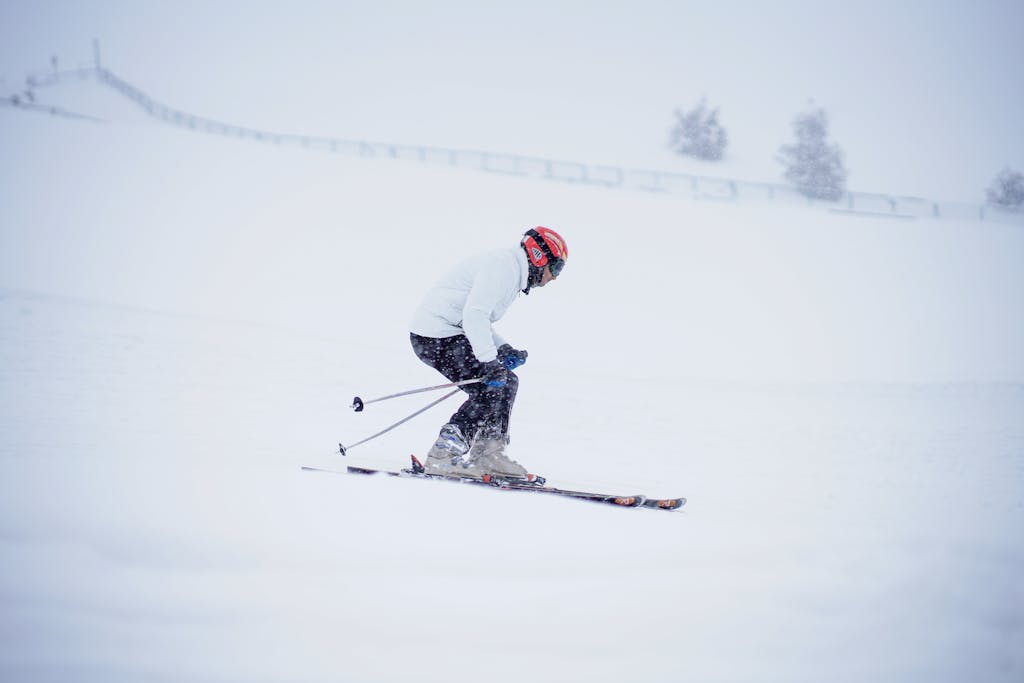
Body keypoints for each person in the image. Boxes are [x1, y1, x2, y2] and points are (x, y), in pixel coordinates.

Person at [409, 226, 568, 480]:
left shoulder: (511, 271)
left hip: (447, 333)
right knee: (489, 387)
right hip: (435, 334)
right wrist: (488, 361)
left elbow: (476, 318)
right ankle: (443, 454)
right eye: (556, 268)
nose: (555, 277)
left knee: (507, 382)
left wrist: (502, 349)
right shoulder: (503, 267)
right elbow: (474, 316)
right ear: (539, 256)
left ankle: (488, 453)